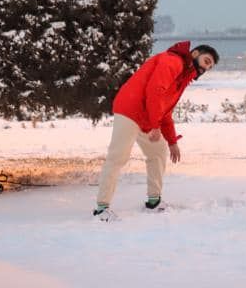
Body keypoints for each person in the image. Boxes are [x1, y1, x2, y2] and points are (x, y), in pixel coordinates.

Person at [93, 42, 219, 221]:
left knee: (158, 151)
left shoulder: (182, 76)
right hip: (130, 109)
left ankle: (154, 202)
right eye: (206, 61)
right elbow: (155, 91)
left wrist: (172, 141)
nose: (205, 68)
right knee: (118, 156)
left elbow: (165, 110)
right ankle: (101, 209)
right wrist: (155, 126)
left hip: (146, 116)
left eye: (210, 66)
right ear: (195, 53)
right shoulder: (172, 61)